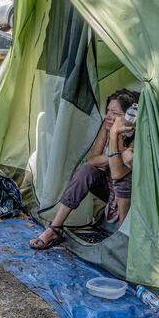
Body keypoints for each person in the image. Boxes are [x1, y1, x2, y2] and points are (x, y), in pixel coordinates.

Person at [31, 89, 140, 250]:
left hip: (131, 194)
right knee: (87, 171)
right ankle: (54, 228)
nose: (109, 117)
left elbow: (118, 174)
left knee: (123, 180)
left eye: (115, 113)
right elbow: (93, 159)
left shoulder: (137, 135)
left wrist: (115, 135)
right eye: (107, 111)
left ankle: (123, 240)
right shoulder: (108, 125)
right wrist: (119, 154)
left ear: (128, 116)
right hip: (109, 188)